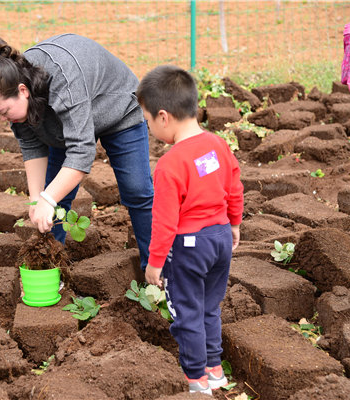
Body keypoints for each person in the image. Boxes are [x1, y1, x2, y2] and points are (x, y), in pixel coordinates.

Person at [0, 33, 154, 270]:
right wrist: (38, 198)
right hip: (63, 123)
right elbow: (31, 145)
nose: (2, 119)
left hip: (117, 110)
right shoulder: (15, 92)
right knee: (56, 197)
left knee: (137, 190)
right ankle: (48, 267)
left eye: (4, 112)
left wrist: (48, 198)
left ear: (23, 90)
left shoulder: (62, 80)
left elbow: (82, 152)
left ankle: (157, 269)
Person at [137, 65, 243, 395]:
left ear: (163, 116)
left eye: (147, 120)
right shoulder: (218, 145)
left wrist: (154, 263)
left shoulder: (170, 164)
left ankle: (195, 379)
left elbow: (165, 221)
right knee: (210, 307)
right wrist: (235, 223)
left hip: (189, 247)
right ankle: (215, 370)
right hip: (221, 237)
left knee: (187, 312)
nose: (149, 126)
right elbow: (235, 187)